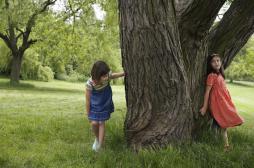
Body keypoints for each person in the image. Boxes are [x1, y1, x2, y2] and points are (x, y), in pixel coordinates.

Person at [200, 53, 244, 151]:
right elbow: (207, 92)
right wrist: (204, 107)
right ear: (209, 64)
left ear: (221, 62)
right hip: (217, 104)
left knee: (223, 125)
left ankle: (224, 145)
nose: (216, 63)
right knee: (220, 124)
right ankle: (221, 145)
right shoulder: (211, 76)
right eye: (213, 61)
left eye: (218, 60)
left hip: (224, 103)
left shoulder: (220, 75)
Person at [85, 60, 125, 152]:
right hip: (94, 105)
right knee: (94, 123)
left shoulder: (107, 76)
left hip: (105, 103)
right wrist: (88, 114)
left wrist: (123, 74)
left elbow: (113, 75)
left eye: (107, 75)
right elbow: (87, 100)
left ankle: (101, 145)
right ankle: (98, 139)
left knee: (101, 123)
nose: (106, 77)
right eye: (104, 76)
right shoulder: (90, 83)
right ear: (97, 75)